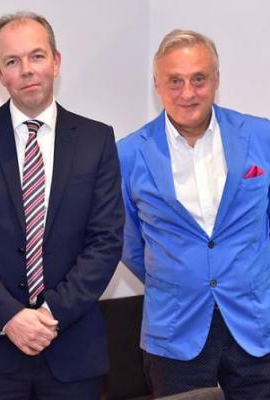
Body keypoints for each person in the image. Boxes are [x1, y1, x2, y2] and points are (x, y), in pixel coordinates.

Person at [0, 11, 124, 399]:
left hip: (73, 350)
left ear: (56, 61)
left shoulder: (97, 140)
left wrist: (50, 314)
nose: (26, 70)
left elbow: (106, 241)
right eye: (12, 61)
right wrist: (10, 316)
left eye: (36, 56)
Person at [118, 29, 270, 398]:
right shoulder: (128, 154)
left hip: (256, 324)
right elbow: (129, 242)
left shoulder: (261, 136)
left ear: (216, 79)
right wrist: (177, 276)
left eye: (198, 79)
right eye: (175, 81)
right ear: (157, 84)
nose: (188, 93)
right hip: (175, 331)